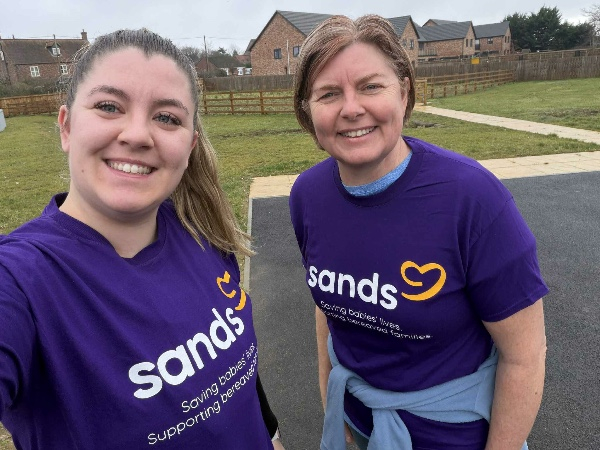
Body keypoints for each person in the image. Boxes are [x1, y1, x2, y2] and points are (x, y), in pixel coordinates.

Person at [0, 29, 284, 450]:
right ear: (67, 127)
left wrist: (272, 436)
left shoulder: (202, 230)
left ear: (189, 145)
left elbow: (238, 376)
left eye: (167, 117)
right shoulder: (22, 280)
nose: (137, 135)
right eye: (109, 107)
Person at [289, 14, 548, 450]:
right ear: (307, 110)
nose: (351, 108)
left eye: (371, 86)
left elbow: (524, 356)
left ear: (404, 91)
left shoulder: (473, 198)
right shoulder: (307, 195)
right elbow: (327, 310)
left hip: (453, 438)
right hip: (361, 423)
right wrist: (330, 396)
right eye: (328, 93)